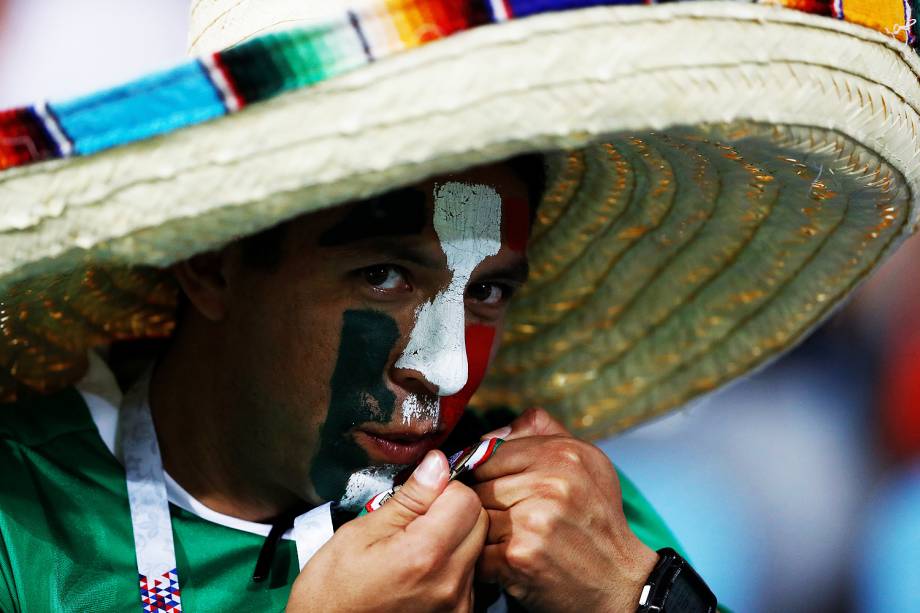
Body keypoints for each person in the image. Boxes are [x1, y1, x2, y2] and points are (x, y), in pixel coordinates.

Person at [1, 1, 918, 611]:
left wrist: (637, 594)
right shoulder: (21, 516)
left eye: (487, 290)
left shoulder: (554, 523)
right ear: (211, 264)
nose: (443, 367)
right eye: (385, 277)